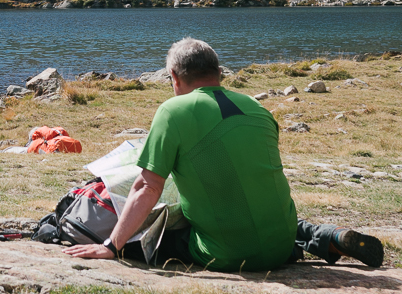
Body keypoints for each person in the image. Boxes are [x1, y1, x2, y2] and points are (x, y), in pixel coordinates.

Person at [65, 37, 384, 270]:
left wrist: (112, 246)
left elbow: (148, 187)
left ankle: (318, 238)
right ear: (219, 73)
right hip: (282, 244)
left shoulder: (173, 110)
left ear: (174, 78)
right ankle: (328, 237)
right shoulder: (258, 107)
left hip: (227, 255)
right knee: (251, 209)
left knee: (161, 232)